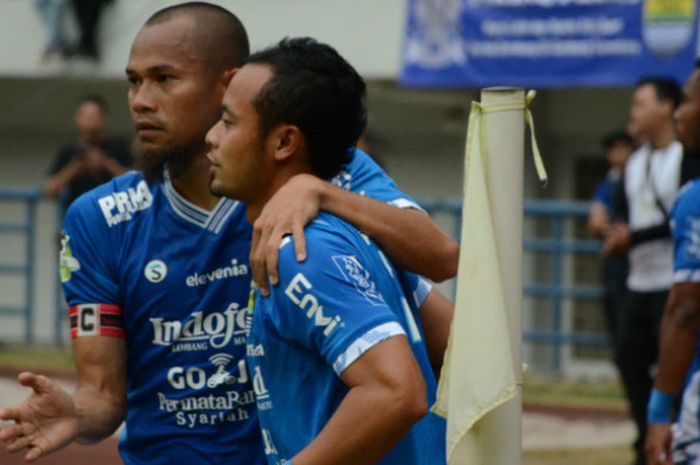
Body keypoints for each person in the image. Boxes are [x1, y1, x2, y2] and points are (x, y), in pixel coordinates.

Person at [0, 3, 457, 464]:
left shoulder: (320, 186)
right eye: (133, 81)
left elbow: (440, 263)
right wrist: (77, 414)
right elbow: (102, 395)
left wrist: (319, 191)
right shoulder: (99, 219)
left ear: (227, 83)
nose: (140, 99)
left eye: (164, 78)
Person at [206, 36, 444, 465]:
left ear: (284, 143)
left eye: (227, 122)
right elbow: (456, 339)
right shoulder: (359, 236)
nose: (211, 137)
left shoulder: (303, 253)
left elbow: (397, 393)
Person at [605, 77, 683, 465]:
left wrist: (632, 237)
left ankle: (678, 439)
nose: (633, 112)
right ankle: (645, 442)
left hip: (675, 283)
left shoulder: (686, 156)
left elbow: (683, 220)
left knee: (679, 371)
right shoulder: (635, 162)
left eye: (641, 104)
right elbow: (622, 211)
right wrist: (615, 229)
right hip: (639, 284)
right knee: (628, 359)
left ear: (668, 107)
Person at [644, 65, 700, 465]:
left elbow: (685, 309)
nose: (680, 113)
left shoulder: (695, 200)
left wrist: (660, 412)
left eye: (690, 100)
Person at [45, 94, 132, 214]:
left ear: (104, 118)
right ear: (77, 118)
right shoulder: (69, 152)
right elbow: (50, 190)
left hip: (113, 216)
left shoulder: (118, 148)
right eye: (86, 115)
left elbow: (134, 183)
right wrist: (75, 168)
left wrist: (106, 164)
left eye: (95, 115)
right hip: (79, 216)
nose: (91, 120)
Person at [587, 130, 633, 347]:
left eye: (624, 147)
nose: (618, 153)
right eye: (613, 148)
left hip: (640, 260)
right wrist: (612, 232)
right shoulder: (608, 182)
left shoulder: (641, 178)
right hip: (615, 264)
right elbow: (596, 220)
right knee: (617, 323)